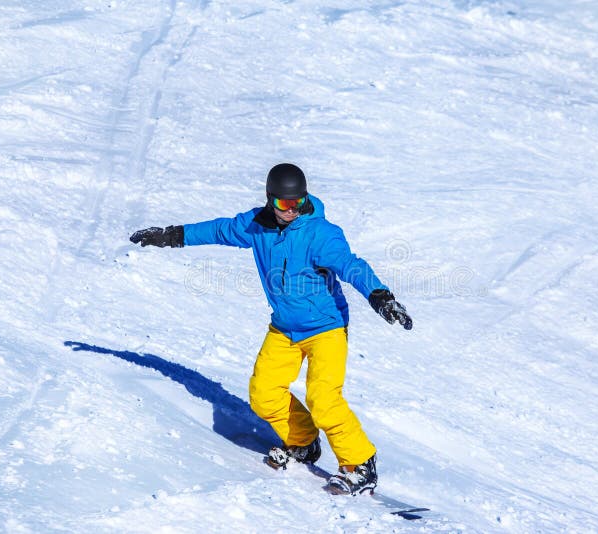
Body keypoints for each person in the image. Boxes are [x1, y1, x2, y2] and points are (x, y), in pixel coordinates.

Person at [129, 163, 412, 495]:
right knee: (263, 394)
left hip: (327, 327)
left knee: (323, 397)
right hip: (285, 328)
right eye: (283, 205)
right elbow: (219, 230)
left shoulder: (320, 233)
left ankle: (360, 462)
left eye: (298, 203)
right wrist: (173, 235)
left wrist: (380, 296)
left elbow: (351, 265)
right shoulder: (256, 225)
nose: (291, 211)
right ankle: (303, 441)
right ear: (270, 200)